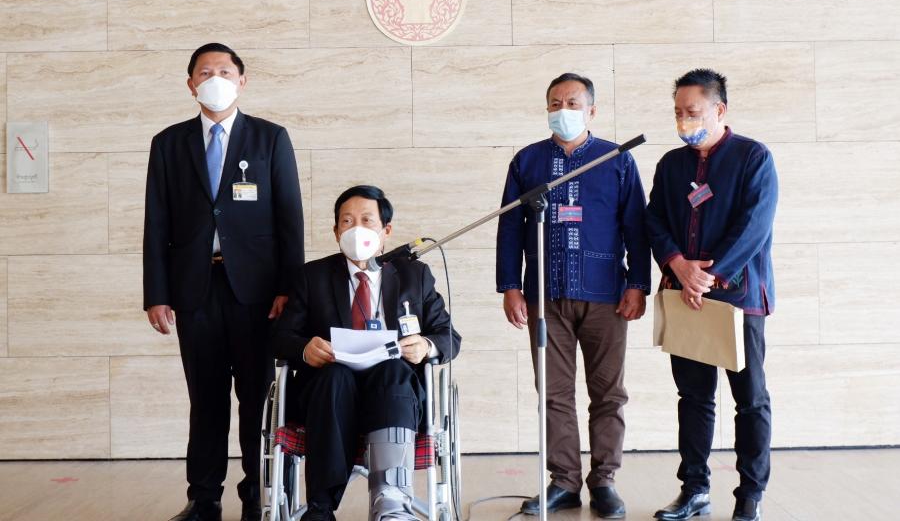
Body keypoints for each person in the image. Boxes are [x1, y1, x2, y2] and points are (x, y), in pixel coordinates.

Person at [143, 42, 304, 521]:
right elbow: (156, 222)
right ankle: (203, 497)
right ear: (190, 84)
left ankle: (258, 495)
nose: (215, 79)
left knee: (257, 397)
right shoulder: (169, 143)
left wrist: (290, 290)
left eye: (225, 71)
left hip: (259, 293)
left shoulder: (270, 138)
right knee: (206, 398)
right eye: (205, 72)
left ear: (242, 81)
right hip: (195, 289)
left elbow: (290, 219)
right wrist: (157, 294)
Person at [496, 73, 651, 518]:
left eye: (572, 103)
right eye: (554, 103)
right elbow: (510, 226)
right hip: (544, 295)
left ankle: (604, 481)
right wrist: (510, 286)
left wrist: (638, 284)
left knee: (608, 393)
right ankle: (563, 481)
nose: (562, 110)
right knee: (553, 393)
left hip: (606, 294)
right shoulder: (527, 162)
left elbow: (636, 226)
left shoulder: (617, 159)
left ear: (591, 110)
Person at [271, 185, 461, 521]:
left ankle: (392, 502)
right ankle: (320, 507)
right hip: (329, 395)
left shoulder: (414, 276)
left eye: (366, 220)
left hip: (394, 394)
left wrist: (425, 345)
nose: (356, 229)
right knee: (335, 376)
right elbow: (280, 337)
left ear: (386, 230)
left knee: (393, 370)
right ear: (336, 232)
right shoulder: (313, 277)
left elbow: (448, 336)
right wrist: (304, 347)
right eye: (347, 221)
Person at [646, 69, 777, 521]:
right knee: (694, 398)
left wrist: (711, 274)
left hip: (738, 298)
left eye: (693, 112)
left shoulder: (753, 157)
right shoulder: (671, 165)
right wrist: (677, 264)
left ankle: (750, 496)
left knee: (750, 399)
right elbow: (653, 219)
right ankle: (694, 489)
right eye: (678, 113)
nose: (684, 121)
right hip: (684, 293)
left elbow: (755, 225)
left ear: (719, 110)